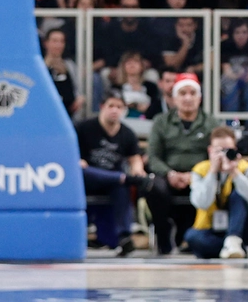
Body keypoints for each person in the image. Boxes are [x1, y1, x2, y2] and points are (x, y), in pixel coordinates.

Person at [146, 74, 216, 255]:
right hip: (169, 176)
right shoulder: (161, 122)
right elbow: (153, 157)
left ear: (199, 98)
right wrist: (170, 173)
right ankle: (163, 238)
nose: (188, 98)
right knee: (154, 188)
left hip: (199, 175)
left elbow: (217, 154)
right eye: (183, 93)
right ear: (174, 98)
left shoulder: (210, 123)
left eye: (193, 93)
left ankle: (192, 237)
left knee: (212, 184)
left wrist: (194, 175)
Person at [77, 90, 150, 255]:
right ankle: (123, 178)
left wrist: (138, 170)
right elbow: (75, 159)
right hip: (88, 179)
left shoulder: (127, 133)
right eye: (111, 106)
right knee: (84, 171)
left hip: (112, 183)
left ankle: (124, 236)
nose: (115, 110)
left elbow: (135, 158)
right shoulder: (84, 127)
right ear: (102, 106)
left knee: (121, 186)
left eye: (119, 107)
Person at [186, 127, 248, 259]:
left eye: (228, 150)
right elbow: (201, 203)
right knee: (192, 238)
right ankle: (245, 251)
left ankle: (233, 242)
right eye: (219, 150)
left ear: (235, 150)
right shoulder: (200, 169)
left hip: (239, 229)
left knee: (239, 195)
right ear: (210, 151)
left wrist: (234, 173)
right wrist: (212, 172)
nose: (224, 155)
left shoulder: (243, 167)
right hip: (209, 229)